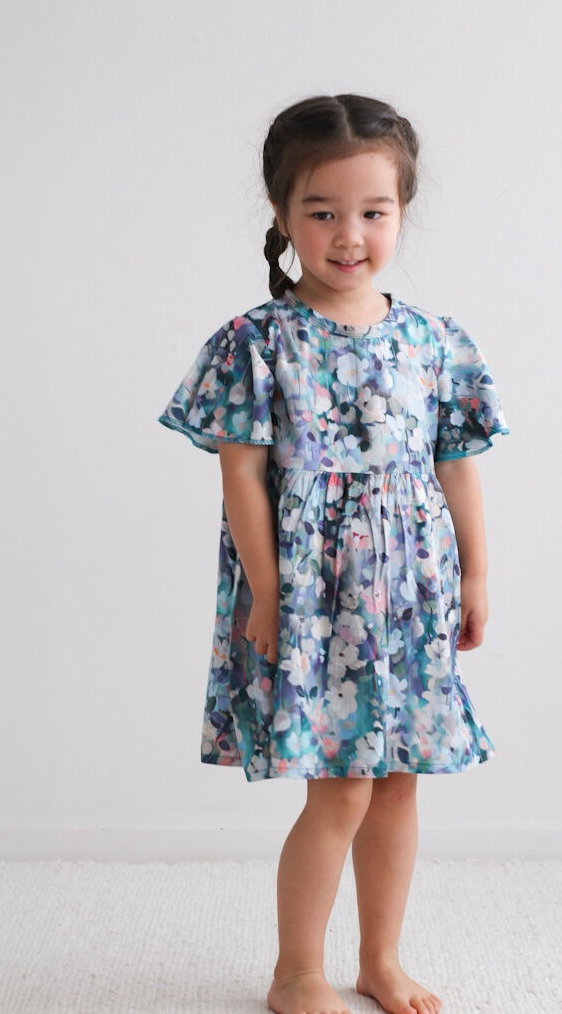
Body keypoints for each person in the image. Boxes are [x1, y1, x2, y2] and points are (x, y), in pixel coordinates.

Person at [158, 93, 510, 1014]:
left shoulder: (433, 341)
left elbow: (458, 468)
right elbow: (241, 480)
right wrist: (266, 594)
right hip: (317, 599)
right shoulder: (256, 343)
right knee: (342, 791)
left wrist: (475, 574)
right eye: (322, 213)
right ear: (282, 217)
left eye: (372, 212)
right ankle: (296, 971)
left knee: (397, 787)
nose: (348, 235)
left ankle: (381, 960)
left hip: (410, 591)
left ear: (401, 212)